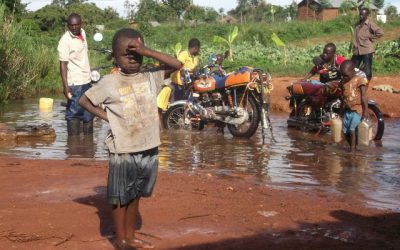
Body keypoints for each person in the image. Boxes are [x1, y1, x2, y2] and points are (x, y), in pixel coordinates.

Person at [79, 28, 181, 250]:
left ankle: (131, 237)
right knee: (120, 197)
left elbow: (176, 65)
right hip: (123, 149)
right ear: (115, 56)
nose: (133, 59)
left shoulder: (150, 77)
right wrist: (109, 118)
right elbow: (85, 101)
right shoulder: (109, 82)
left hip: (148, 146)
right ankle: (121, 240)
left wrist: (147, 50)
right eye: (127, 54)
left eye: (138, 54)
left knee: (136, 195)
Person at [58, 13, 94, 136]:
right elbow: (63, 64)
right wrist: (66, 86)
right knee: (73, 114)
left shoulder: (82, 33)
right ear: (68, 26)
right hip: (75, 84)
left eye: (76, 25)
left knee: (88, 112)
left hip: (87, 81)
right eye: (71, 25)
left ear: (81, 24)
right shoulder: (65, 40)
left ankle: (88, 146)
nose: (74, 27)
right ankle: (73, 146)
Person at [340, 60, 369, 152]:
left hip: (357, 110)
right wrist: (341, 110)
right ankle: (353, 146)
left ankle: (352, 151)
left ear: (353, 71)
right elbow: (342, 97)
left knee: (352, 130)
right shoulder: (343, 81)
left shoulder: (360, 80)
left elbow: (364, 96)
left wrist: (365, 111)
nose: (344, 77)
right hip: (347, 110)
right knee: (345, 131)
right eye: (342, 75)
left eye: (346, 75)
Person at [351, 7, 384, 82]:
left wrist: (370, 37)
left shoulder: (370, 24)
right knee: (353, 67)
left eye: (363, 15)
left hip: (367, 49)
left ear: (367, 15)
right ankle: (355, 81)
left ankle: (366, 83)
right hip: (357, 49)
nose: (361, 16)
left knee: (367, 68)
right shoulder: (358, 24)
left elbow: (380, 32)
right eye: (360, 14)